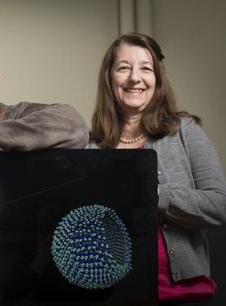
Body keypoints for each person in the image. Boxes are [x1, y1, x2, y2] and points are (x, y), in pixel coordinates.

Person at [89, 33, 226, 305]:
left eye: (146, 68)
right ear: (109, 78)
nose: (134, 78)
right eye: (124, 67)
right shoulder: (90, 147)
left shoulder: (185, 132)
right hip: (114, 295)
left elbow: (219, 205)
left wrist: (155, 193)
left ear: (157, 80)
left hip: (184, 295)